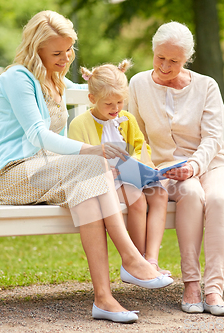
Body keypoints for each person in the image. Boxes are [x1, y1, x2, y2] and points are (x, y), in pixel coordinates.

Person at [0, 10, 172, 324]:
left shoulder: (55, 79)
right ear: (36, 49)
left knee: (89, 186)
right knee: (92, 165)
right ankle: (131, 259)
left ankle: (104, 299)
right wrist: (92, 150)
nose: (66, 57)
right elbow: (39, 136)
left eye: (69, 49)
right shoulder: (17, 78)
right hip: (11, 174)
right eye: (57, 52)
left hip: (47, 172)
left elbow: (85, 106)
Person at [128, 21, 224, 317]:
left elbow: (214, 138)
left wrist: (193, 165)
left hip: (214, 164)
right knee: (192, 194)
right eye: (160, 58)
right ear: (153, 51)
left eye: (174, 61)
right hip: (168, 171)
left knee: (217, 199)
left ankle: (214, 289)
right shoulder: (139, 84)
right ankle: (191, 284)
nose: (165, 67)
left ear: (186, 59)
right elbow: (135, 135)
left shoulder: (206, 86)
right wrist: (145, 170)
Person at [68, 60, 170, 275]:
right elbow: (76, 159)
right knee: (137, 199)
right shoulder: (80, 124)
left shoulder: (127, 120)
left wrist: (138, 166)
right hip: (103, 183)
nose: (115, 109)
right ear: (92, 99)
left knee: (160, 193)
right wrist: (106, 169)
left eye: (120, 102)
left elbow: (141, 148)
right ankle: (136, 261)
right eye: (108, 104)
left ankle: (151, 259)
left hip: (132, 176)